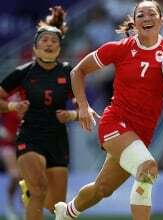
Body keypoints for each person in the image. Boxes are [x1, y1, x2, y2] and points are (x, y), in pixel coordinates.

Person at [54, 1, 163, 220]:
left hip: (142, 133)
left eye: (151, 14)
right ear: (135, 21)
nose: (146, 18)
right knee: (147, 167)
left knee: (102, 189)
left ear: (161, 20)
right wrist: (82, 106)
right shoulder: (120, 48)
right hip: (115, 123)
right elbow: (78, 71)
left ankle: (66, 212)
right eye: (141, 15)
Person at [0, 6, 81, 220]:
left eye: (53, 41)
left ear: (59, 48)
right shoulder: (23, 72)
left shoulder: (69, 73)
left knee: (56, 206)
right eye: (43, 40)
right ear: (35, 47)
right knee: (39, 188)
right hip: (30, 136)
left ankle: (29, 194)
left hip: (58, 139)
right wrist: (11, 107)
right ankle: (31, 190)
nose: (48, 43)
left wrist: (72, 115)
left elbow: (84, 108)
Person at [0, 94, 21, 220]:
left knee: (26, 178)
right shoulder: (5, 95)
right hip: (8, 144)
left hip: (24, 142)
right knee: (15, 175)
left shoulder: (28, 93)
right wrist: (2, 131)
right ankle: (9, 205)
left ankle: (26, 208)